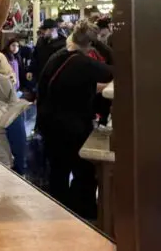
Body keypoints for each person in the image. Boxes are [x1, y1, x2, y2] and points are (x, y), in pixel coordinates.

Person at [36, 20, 113, 219]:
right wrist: (99, 43)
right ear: (89, 44)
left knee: (58, 173)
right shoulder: (82, 62)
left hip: (50, 125)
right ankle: (80, 213)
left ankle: (59, 214)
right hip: (72, 127)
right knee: (85, 172)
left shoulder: (58, 57)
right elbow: (117, 68)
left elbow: (59, 87)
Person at [27, 19, 67, 85]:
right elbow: (35, 57)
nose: (42, 32)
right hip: (40, 76)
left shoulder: (63, 43)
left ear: (52, 30)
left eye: (44, 30)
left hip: (55, 79)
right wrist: (30, 70)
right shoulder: (41, 41)